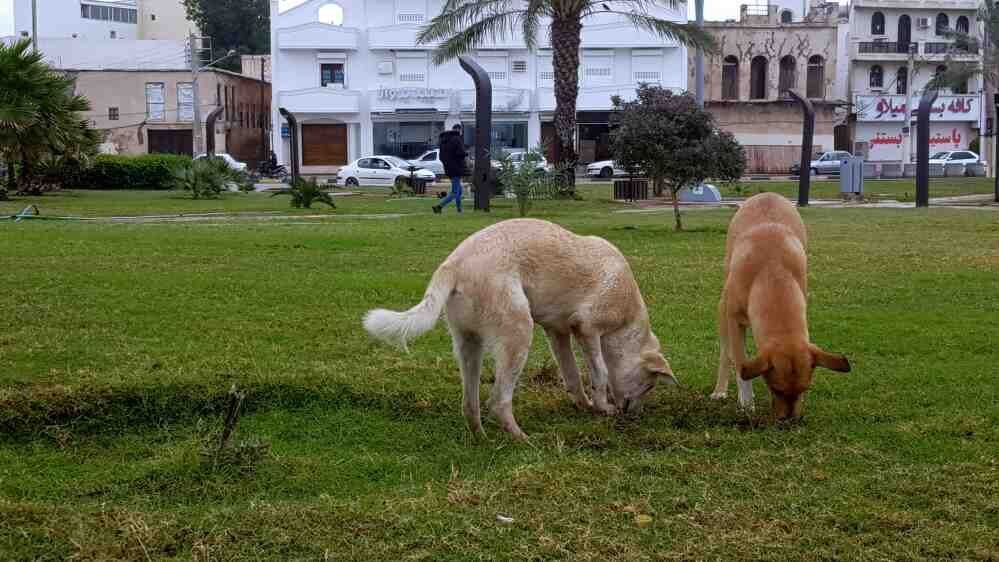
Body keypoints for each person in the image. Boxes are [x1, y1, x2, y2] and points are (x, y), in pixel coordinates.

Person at [433, 124, 467, 214]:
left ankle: (459, 210)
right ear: (459, 130)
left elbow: (441, 157)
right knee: (455, 192)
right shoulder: (457, 139)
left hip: (448, 168)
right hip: (457, 168)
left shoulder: (443, 141)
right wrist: (465, 154)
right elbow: (461, 153)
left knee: (459, 190)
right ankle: (439, 206)